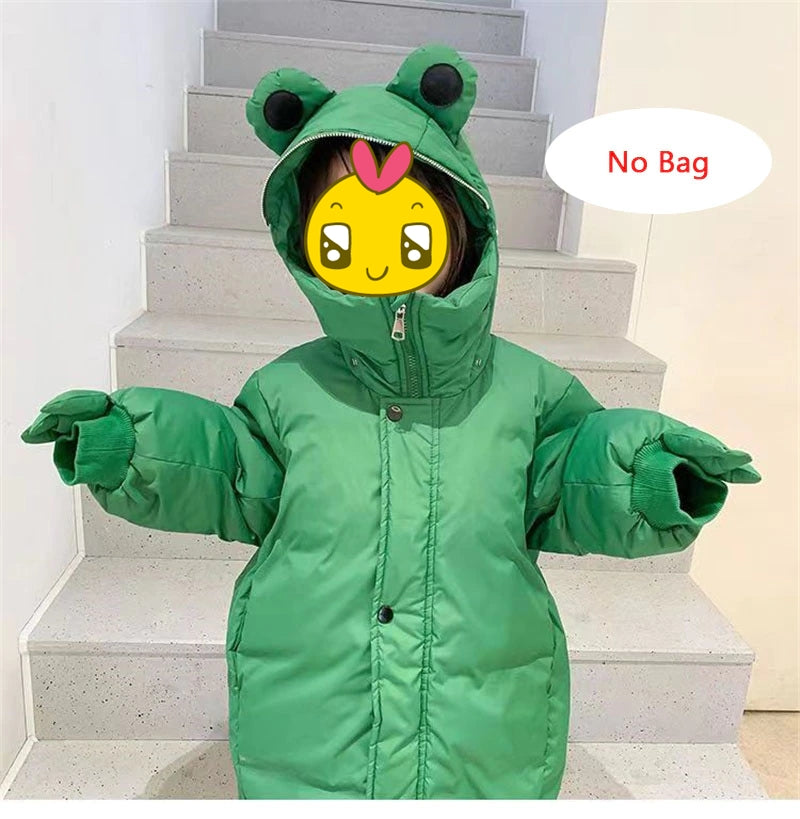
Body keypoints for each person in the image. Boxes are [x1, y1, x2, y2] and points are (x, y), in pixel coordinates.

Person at [20, 44, 761, 800]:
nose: (377, 258)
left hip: (479, 728)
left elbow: (574, 474)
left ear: (458, 224)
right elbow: (227, 469)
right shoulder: (288, 390)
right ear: (310, 246)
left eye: (405, 230)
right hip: (314, 726)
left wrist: (647, 476)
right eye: (345, 234)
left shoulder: (528, 391)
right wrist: (134, 443)